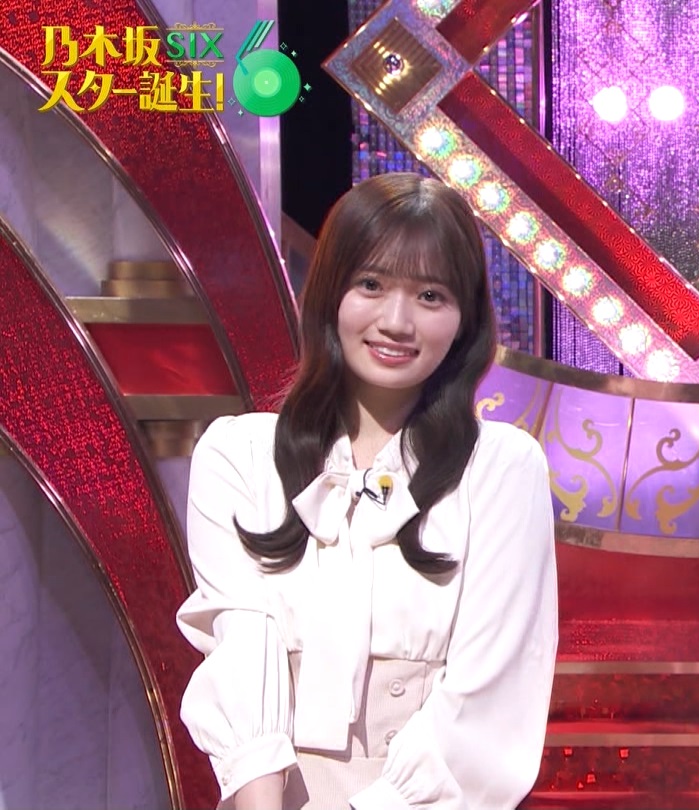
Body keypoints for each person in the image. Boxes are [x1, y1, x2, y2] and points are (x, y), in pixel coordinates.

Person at [176, 172, 558, 810]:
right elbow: (242, 650)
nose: (396, 322)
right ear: (331, 292)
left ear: (464, 320)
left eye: (430, 295)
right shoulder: (239, 454)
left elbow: (489, 700)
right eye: (371, 285)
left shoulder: (500, 467)